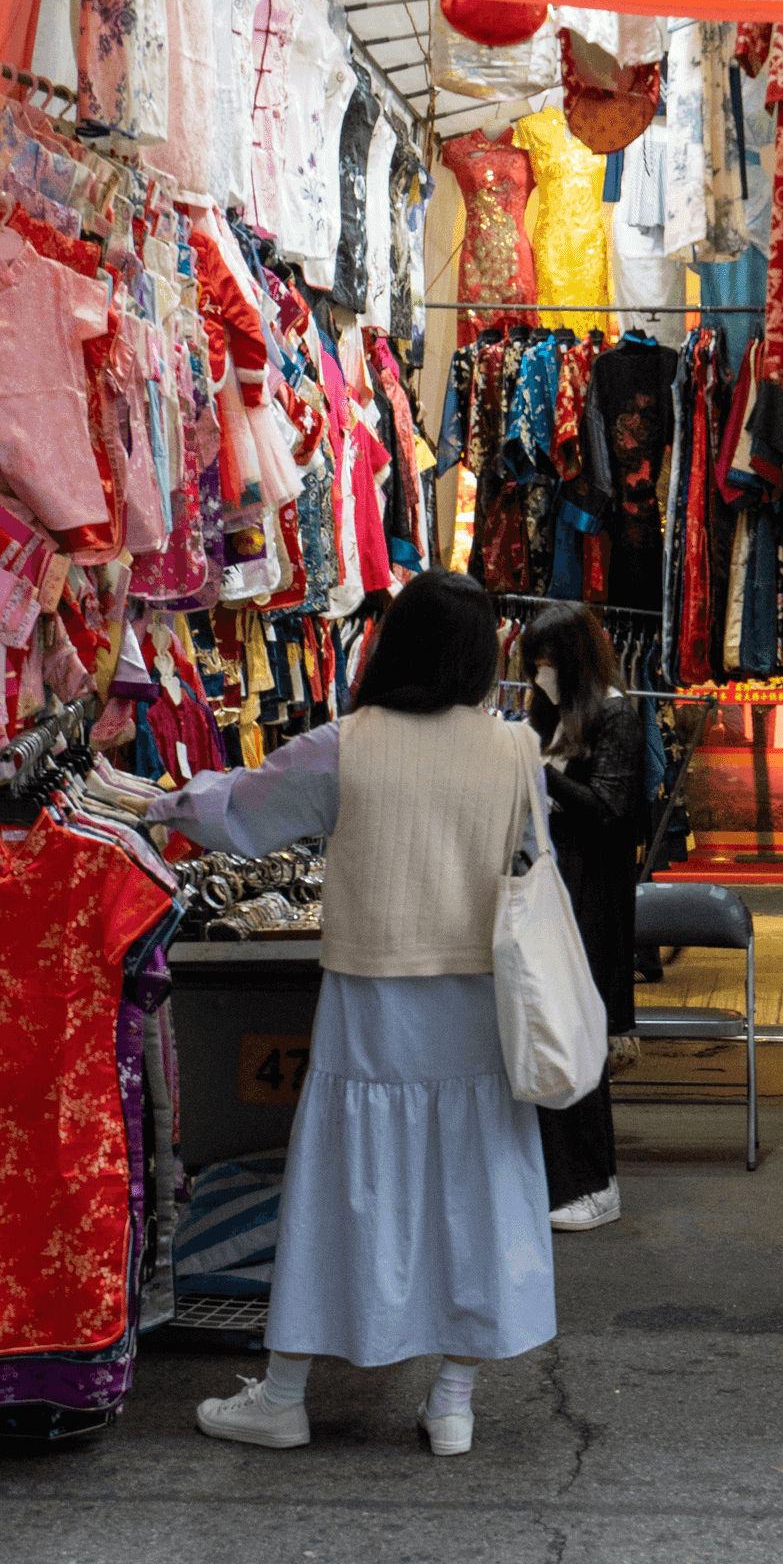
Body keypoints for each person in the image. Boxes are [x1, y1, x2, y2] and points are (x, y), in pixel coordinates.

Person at [154, 569, 553, 1457]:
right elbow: (533, 869)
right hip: (480, 1007)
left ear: (395, 645)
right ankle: (452, 1401)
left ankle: (284, 1394)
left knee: (343, 1188)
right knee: (474, 1192)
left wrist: (149, 802)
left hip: (373, 1004)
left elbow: (241, 814)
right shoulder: (515, 750)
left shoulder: (347, 744)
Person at [522, 602, 644, 1233]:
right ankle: (562, 1180)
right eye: (533, 664)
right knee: (551, 1030)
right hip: (549, 892)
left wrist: (537, 772)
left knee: (579, 1034)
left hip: (591, 896)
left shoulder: (616, 715)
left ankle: (596, 1183)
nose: (538, 676)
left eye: (547, 663)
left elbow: (610, 810)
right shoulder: (548, 717)